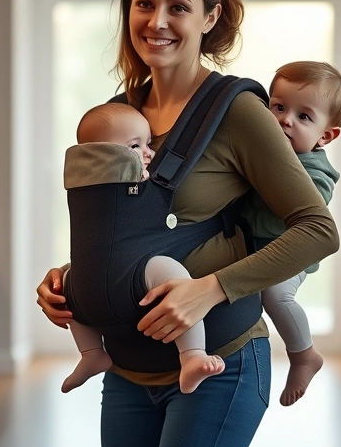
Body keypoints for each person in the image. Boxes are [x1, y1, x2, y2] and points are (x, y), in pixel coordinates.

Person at [35, 0, 339, 447]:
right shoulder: (118, 116)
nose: (156, 22)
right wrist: (67, 280)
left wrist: (210, 288)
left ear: (209, 18)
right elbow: (113, 228)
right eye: (144, 4)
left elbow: (318, 230)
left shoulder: (239, 111)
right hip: (128, 369)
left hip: (222, 362)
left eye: (178, 7)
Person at [60, 102, 225, 395]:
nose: (149, 153)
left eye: (148, 143)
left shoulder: (77, 184)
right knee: (171, 273)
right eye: (135, 146)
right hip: (131, 277)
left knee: (67, 283)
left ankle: (90, 353)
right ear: (99, 154)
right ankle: (192, 353)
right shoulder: (126, 177)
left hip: (84, 291)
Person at [246, 60, 341, 406]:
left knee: (275, 295)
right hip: (254, 250)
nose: (285, 119)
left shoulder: (315, 170)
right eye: (278, 107)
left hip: (290, 257)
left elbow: (309, 204)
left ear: (326, 135)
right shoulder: (261, 152)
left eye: (304, 116)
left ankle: (304, 355)